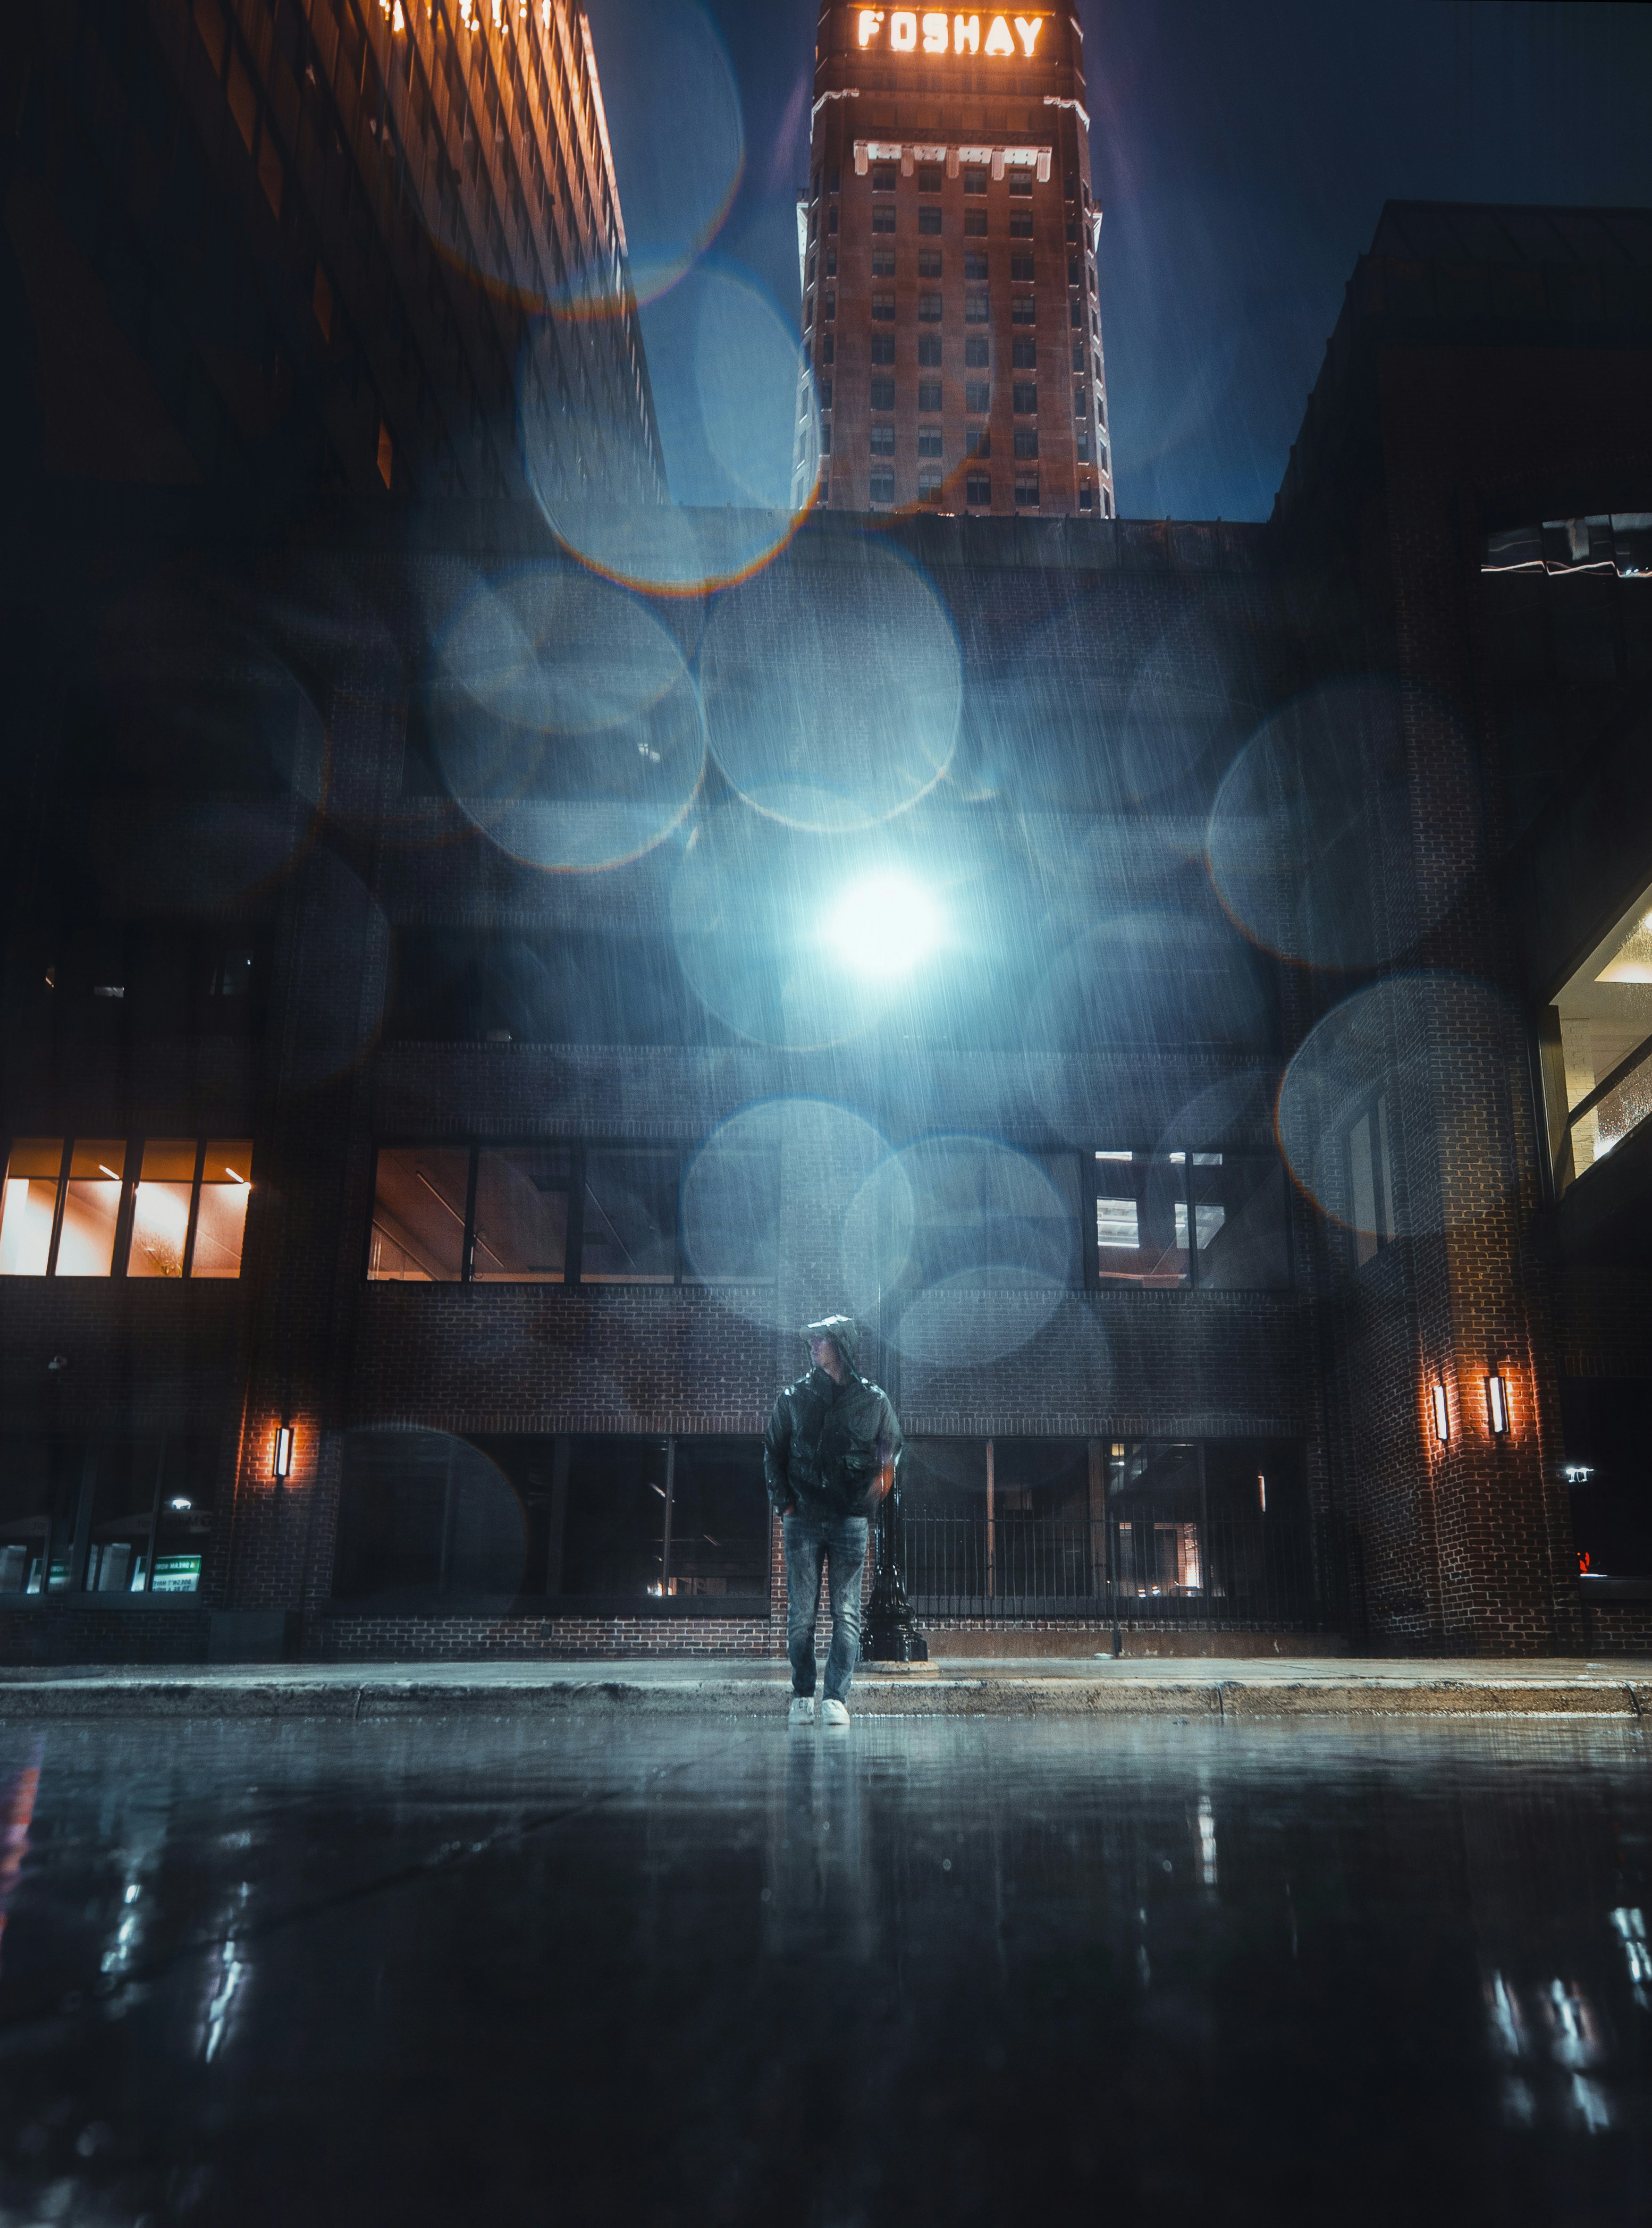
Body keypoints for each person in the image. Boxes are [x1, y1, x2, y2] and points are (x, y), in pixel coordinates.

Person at [763, 1315, 904, 1729]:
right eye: (811, 1340)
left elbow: (891, 1450)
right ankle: (803, 1693)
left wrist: (881, 1484)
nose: (812, 1345)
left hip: (850, 1522)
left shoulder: (873, 1401)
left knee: (846, 1613)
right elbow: (773, 1451)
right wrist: (785, 1505)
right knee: (801, 1615)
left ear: (839, 1346)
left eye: (819, 1340)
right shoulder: (793, 1398)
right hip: (802, 1520)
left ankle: (836, 1698)